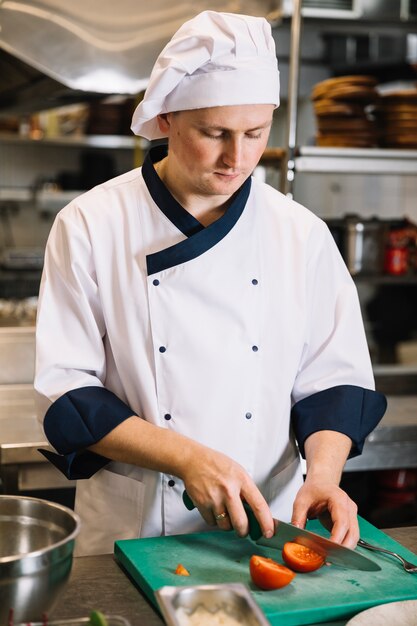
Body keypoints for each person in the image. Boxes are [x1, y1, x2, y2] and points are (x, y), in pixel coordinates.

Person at [35, 10, 386, 556]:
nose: (238, 157)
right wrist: (187, 457)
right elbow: (69, 394)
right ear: (168, 119)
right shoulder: (90, 224)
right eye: (215, 133)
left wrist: (324, 475)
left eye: (255, 133)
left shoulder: (300, 233)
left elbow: (334, 383)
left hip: (270, 522)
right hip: (140, 527)